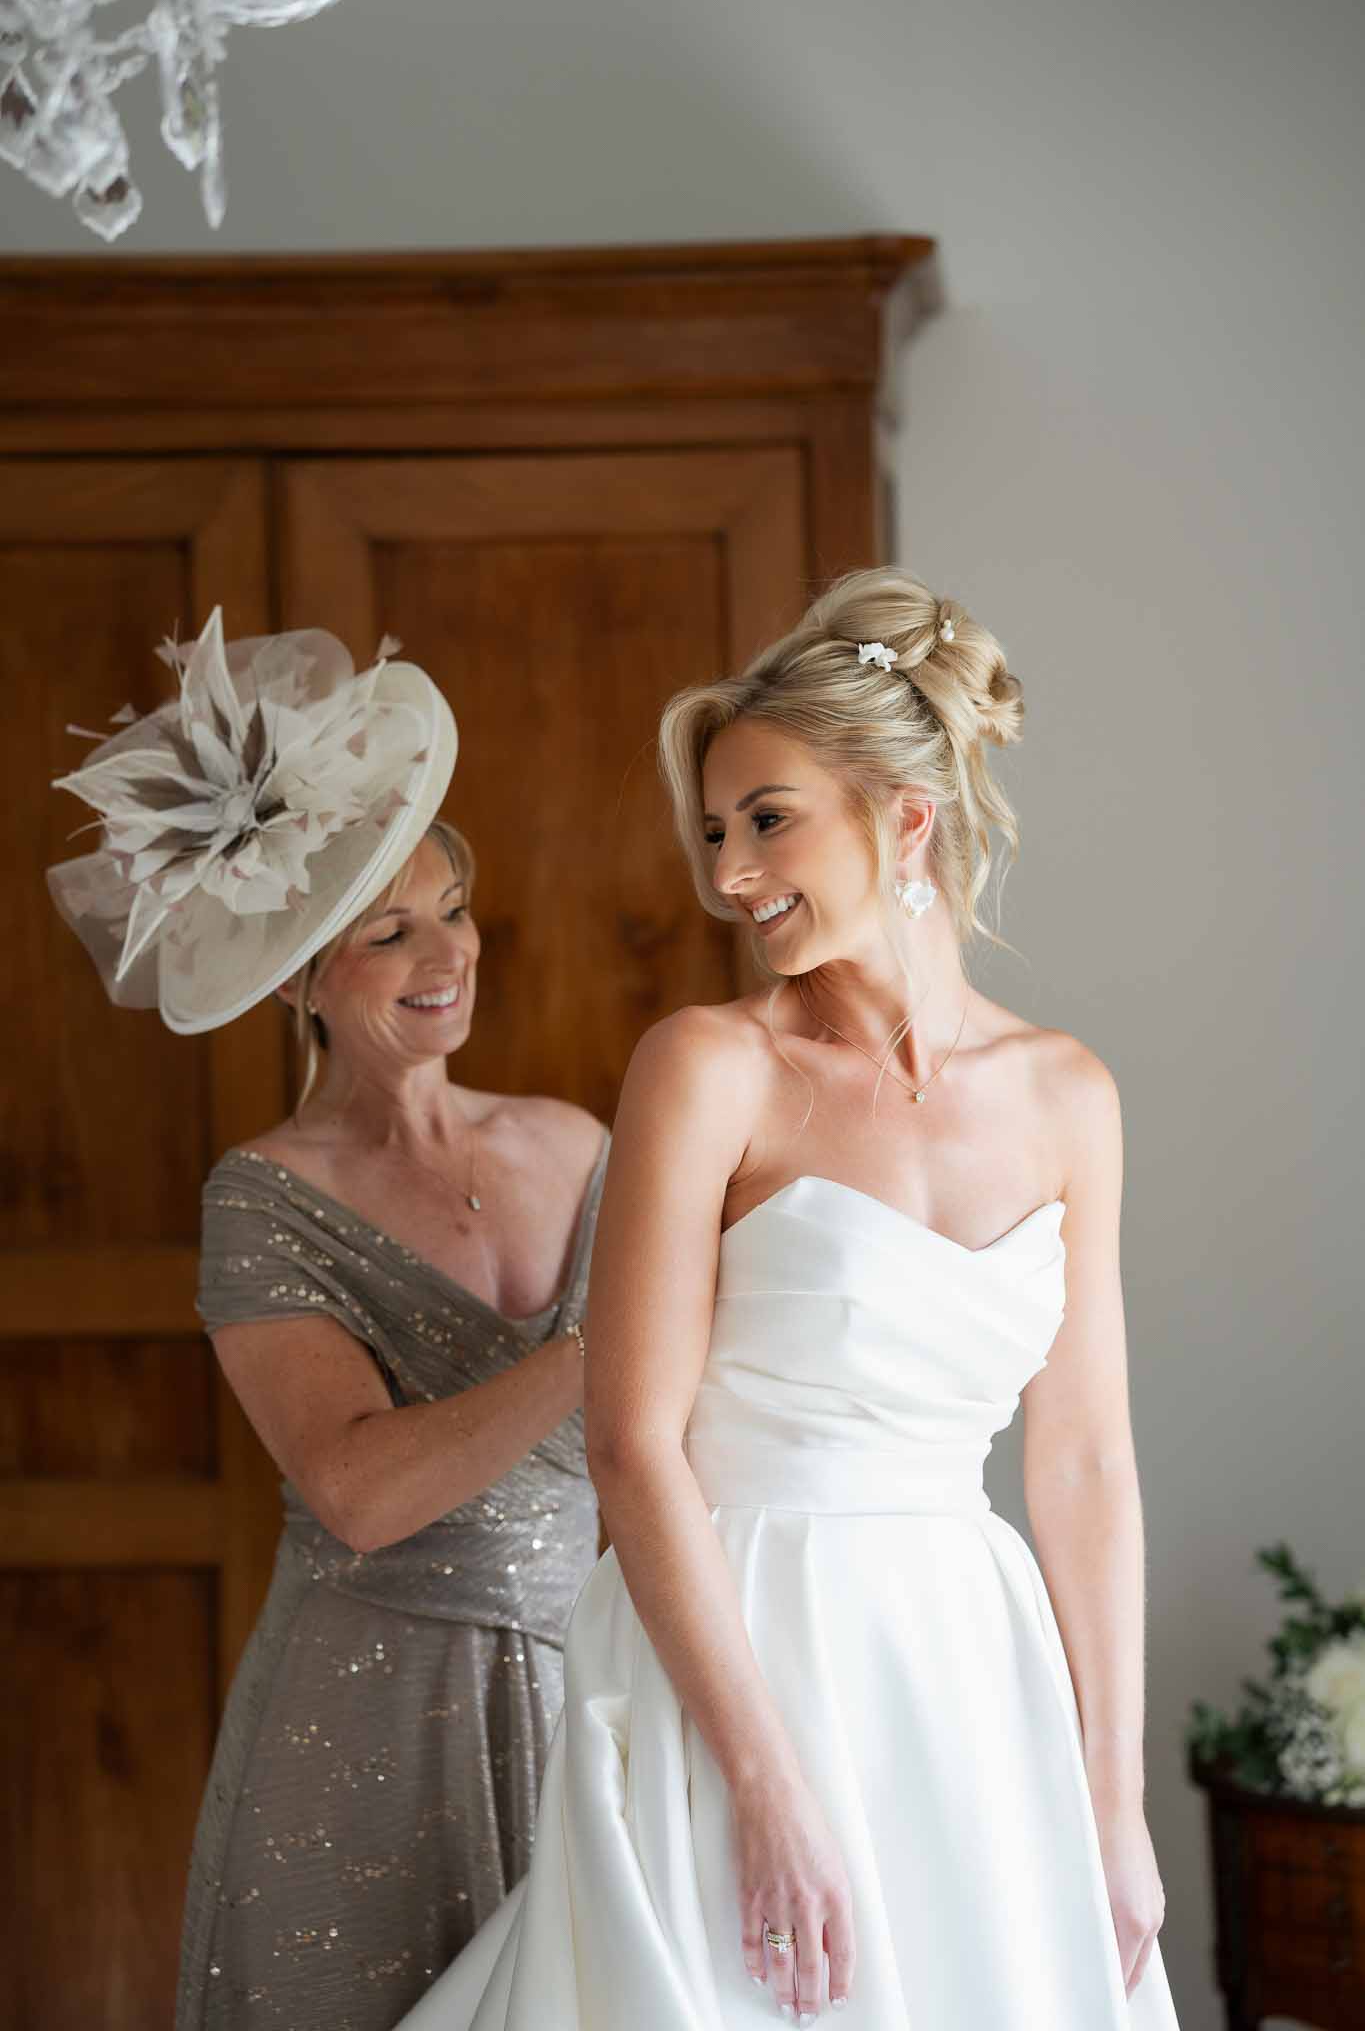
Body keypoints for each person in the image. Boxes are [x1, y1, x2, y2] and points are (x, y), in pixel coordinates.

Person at [398, 568, 1180, 2029]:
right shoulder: (708, 1067)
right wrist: (760, 1783)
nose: (729, 875)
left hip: (962, 1661)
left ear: (906, 817)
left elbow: (1084, 1464)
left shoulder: (1069, 1094)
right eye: (712, 832)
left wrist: (1113, 1800)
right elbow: (633, 1444)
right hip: (739, 1643)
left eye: (767, 820)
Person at [48, 609, 607, 2030]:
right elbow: (357, 1491)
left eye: (453, 908)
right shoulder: (265, 1196)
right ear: (299, 977)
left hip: (594, 1691)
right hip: (368, 1713)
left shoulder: (577, 1142)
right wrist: (595, 1354)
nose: (446, 952)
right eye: (387, 932)